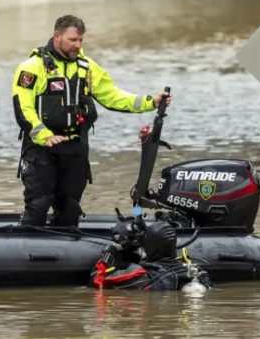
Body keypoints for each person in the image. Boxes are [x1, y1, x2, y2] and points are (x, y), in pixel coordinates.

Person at [11, 14, 171, 227]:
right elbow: (23, 108)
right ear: (57, 36)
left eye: (80, 40)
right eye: (72, 40)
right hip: (41, 149)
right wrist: (44, 135)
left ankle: (66, 252)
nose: (77, 45)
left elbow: (113, 96)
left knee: (69, 209)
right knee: (38, 205)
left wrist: (151, 101)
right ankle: (27, 247)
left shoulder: (86, 67)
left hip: (74, 147)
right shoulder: (32, 67)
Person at [88, 220, 212, 291]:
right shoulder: (196, 272)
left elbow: (96, 282)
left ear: (150, 246)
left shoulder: (142, 274)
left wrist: (110, 251)